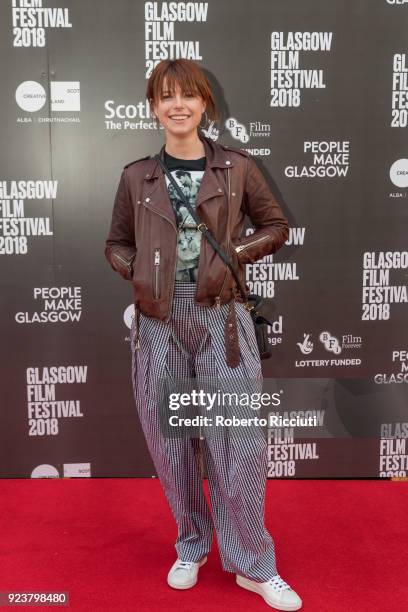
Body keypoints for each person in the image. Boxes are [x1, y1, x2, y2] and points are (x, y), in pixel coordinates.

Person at [104, 58, 302, 611]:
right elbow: (116, 243)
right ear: (153, 107)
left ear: (204, 103)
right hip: (159, 323)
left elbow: (276, 226)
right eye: (165, 97)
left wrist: (232, 257)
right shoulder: (135, 175)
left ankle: (253, 564)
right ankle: (191, 545)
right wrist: (139, 272)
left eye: (187, 95)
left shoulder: (237, 167)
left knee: (236, 446)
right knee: (172, 446)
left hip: (224, 319)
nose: (177, 105)